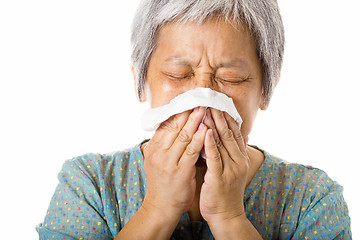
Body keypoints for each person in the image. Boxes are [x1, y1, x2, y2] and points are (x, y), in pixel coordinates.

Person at [36, 0, 352, 239]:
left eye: (232, 78)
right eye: (179, 74)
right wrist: (157, 209)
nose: (202, 100)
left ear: (266, 92)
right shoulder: (89, 185)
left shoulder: (311, 198)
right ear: (139, 82)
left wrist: (230, 218)